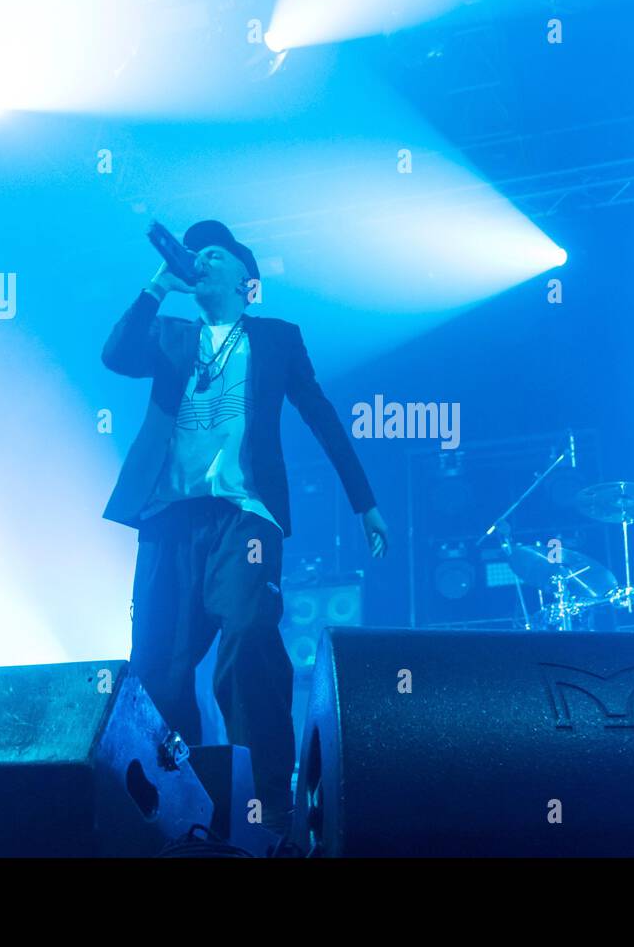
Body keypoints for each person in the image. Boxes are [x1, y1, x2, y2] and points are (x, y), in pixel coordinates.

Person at [101, 219, 388, 833]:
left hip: (246, 515)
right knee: (159, 665)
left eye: (214, 254)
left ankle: (270, 806)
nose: (200, 260)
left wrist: (364, 501)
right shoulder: (172, 334)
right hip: (170, 519)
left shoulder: (277, 338)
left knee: (249, 631)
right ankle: (178, 815)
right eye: (194, 253)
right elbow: (116, 355)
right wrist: (158, 283)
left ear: (247, 282)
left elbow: (322, 416)